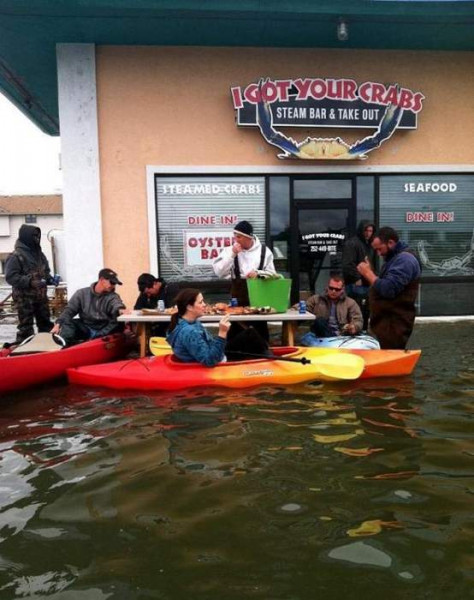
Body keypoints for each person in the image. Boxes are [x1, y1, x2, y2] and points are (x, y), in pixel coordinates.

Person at [167, 288, 269, 366]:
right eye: (200, 302)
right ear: (189, 307)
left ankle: (268, 358)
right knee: (251, 336)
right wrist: (222, 333)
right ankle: (273, 362)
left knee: (249, 334)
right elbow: (209, 361)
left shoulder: (187, 322)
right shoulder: (189, 332)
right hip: (217, 360)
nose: (204, 305)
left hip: (217, 353)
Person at [357, 226, 421, 349]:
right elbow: (383, 284)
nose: (378, 253)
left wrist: (368, 273)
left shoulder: (405, 260)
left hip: (394, 325)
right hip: (386, 324)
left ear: (390, 243)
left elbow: (388, 289)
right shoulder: (395, 259)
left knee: (391, 362)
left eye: (380, 249)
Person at [213, 220, 276, 341]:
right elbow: (219, 272)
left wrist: (259, 273)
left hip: (259, 303)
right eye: (235, 236)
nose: (235, 240)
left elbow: (273, 275)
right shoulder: (229, 250)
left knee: (259, 338)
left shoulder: (265, 251)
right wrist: (232, 254)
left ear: (249, 237)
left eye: (239, 237)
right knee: (235, 339)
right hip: (237, 303)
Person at [5, 224, 55, 343]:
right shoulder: (15, 256)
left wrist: (50, 279)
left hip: (41, 297)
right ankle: (24, 349)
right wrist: (30, 282)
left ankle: (47, 345)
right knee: (26, 327)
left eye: (38, 236)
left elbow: (46, 272)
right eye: (34, 236)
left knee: (46, 323)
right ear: (26, 237)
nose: (37, 239)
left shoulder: (40, 255)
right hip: (24, 299)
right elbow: (10, 277)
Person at [51, 268, 126, 345]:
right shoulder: (81, 294)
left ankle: (95, 342)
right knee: (67, 322)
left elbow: (116, 304)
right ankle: (63, 347)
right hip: (87, 328)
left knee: (119, 324)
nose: (113, 286)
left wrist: (120, 310)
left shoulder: (113, 296)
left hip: (105, 330)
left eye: (115, 284)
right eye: (112, 282)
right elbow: (69, 311)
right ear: (102, 280)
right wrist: (58, 324)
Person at [342, 220, 375, 330]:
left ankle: (362, 331)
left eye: (370, 231)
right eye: (366, 230)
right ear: (361, 230)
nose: (368, 233)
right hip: (356, 284)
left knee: (365, 311)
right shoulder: (352, 243)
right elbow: (347, 264)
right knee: (356, 311)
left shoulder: (369, 245)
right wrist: (357, 278)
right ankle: (355, 332)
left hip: (366, 283)